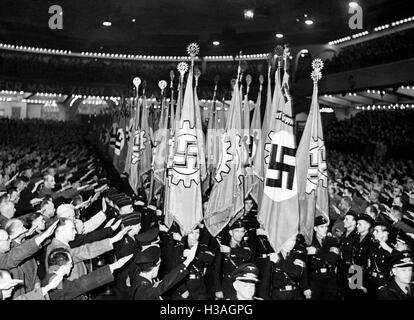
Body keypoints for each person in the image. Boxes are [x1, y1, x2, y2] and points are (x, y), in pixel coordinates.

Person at [130, 242, 198, 300]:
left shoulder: (140, 276)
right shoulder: (143, 290)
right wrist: (187, 261)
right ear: (156, 265)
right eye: (159, 265)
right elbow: (165, 283)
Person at [213, 220, 253, 299]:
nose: (240, 234)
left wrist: (230, 251)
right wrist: (218, 289)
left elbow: (248, 255)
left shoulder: (245, 247)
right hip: (227, 287)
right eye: (237, 231)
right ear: (231, 232)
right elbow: (217, 270)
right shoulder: (223, 248)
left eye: (242, 231)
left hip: (242, 287)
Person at [304, 216, 340, 300]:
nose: (325, 229)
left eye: (326, 227)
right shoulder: (309, 242)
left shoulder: (332, 240)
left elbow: (333, 258)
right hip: (314, 279)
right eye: (321, 227)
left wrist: (316, 253)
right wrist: (305, 286)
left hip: (330, 278)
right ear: (315, 228)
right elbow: (306, 265)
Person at [269, 234, 306, 300]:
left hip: (295, 294)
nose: (292, 244)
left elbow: (296, 272)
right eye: (289, 240)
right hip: (277, 295)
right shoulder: (272, 254)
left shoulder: (297, 254)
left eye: (294, 240)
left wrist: (279, 261)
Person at [367, 221, 394, 299]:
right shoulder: (373, 245)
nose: (374, 233)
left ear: (385, 233)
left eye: (377, 231)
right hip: (371, 280)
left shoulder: (391, 248)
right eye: (374, 230)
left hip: (384, 282)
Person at [338, 210, 359, 300]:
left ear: (354, 222)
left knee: (353, 295)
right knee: (342, 292)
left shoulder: (358, 236)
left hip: (353, 269)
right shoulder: (344, 234)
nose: (344, 221)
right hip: (342, 267)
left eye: (347, 219)